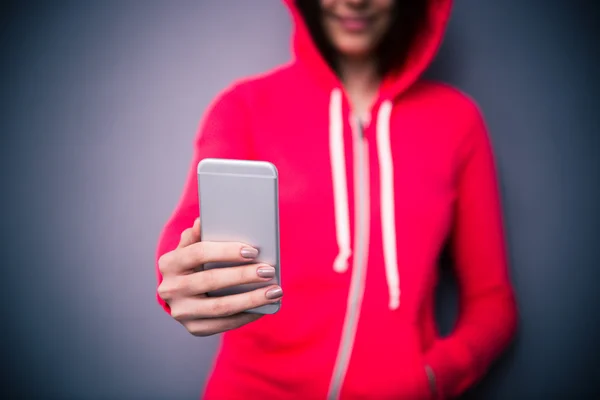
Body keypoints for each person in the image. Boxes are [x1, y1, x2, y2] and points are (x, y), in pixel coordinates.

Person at [155, 0, 518, 398]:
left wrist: (430, 379)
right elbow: (186, 236)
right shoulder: (244, 108)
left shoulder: (457, 122)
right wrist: (182, 279)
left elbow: (492, 303)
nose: (355, 0)